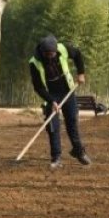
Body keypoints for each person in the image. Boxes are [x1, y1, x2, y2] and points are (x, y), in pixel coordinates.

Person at [29, 34, 91, 169]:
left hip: (67, 90)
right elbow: (38, 87)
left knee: (72, 122)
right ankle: (56, 158)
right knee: (53, 127)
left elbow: (78, 55)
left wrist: (81, 73)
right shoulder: (34, 63)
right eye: (50, 54)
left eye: (54, 53)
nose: (53, 56)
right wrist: (51, 101)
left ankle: (78, 151)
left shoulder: (62, 48)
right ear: (44, 53)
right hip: (49, 94)